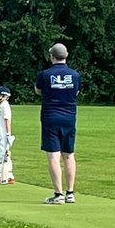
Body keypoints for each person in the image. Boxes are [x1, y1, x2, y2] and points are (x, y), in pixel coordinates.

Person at [35, 42, 81, 204]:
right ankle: (70, 193)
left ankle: (58, 194)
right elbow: (76, 92)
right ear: (66, 56)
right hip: (69, 117)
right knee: (69, 155)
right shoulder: (75, 75)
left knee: (53, 155)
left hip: (50, 116)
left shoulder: (44, 74)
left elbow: (38, 90)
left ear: (52, 56)